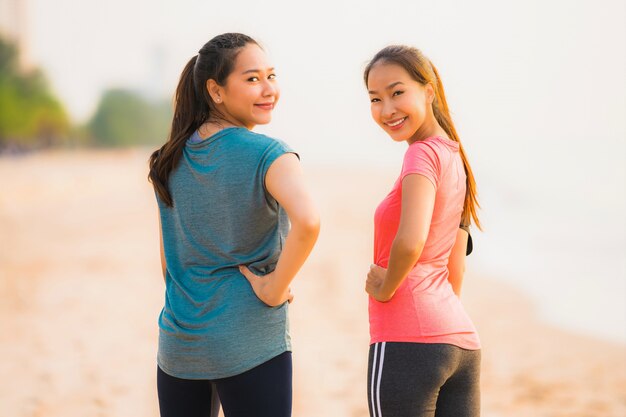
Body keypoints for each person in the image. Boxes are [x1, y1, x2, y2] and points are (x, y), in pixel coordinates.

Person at [148, 33, 320, 417]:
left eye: (271, 76)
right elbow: (309, 222)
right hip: (249, 341)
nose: (268, 89)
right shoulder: (269, 154)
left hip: (179, 344)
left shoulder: (167, 159)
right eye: (252, 78)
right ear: (216, 90)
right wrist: (275, 288)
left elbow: (169, 268)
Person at [363, 45, 482, 417]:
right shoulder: (454, 157)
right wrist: (438, 323)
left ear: (428, 91)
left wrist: (386, 287)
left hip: (407, 339)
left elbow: (411, 239)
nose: (387, 110)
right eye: (375, 99)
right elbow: (455, 266)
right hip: (460, 344)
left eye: (398, 92)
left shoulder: (422, 154)